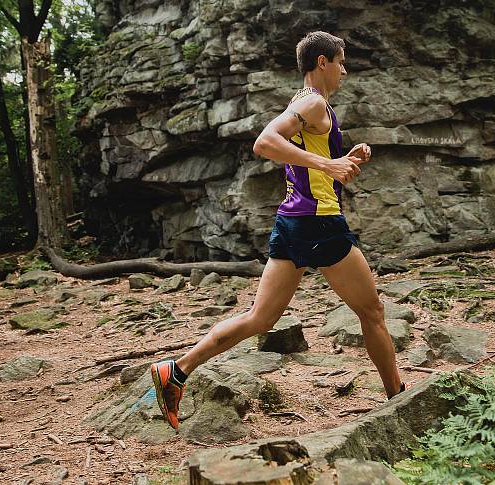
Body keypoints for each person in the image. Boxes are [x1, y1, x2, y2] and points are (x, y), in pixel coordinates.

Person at [150, 31, 405, 430]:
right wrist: (328, 166)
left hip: (292, 222)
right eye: (340, 61)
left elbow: (306, 162)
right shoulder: (313, 101)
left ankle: (176, 370)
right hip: (318, 224)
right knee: (372, 311)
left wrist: (342, 160)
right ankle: (400, 401)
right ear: (322, 62)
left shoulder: (303, 104)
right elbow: (265, 143)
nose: (344, 69)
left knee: (259, 318)